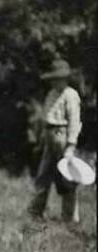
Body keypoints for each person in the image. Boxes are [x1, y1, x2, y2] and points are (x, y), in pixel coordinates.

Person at [27, 59, 82, 223]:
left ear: (65, 78)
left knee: (66, 179)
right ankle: (36, 211)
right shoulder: (51, 94)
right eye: (53, 79)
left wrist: (71, 146)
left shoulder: (70, 95)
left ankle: (70, 217)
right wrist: (43, 139)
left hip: (62, 136)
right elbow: (47, 118)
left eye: (58, 78)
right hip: (50, 137)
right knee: (43, 175)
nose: (55, 82)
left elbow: (74, 121)